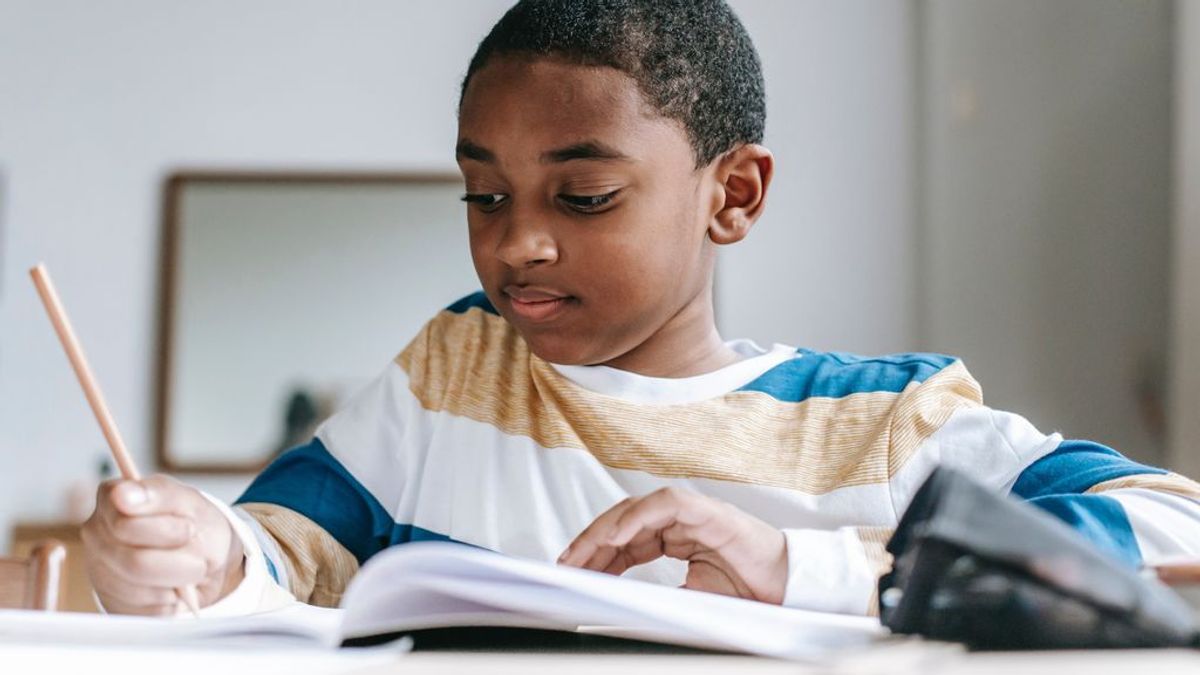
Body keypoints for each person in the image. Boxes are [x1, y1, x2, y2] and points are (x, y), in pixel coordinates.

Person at [82, 0, 1200, 617]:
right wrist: (198, 548)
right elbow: (287, 547)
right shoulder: (456, 373)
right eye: (483, 193)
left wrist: (797, 568)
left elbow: (1173, 531)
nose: (514, 239)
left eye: (584, 196)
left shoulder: (881, 420)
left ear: (734, 194)